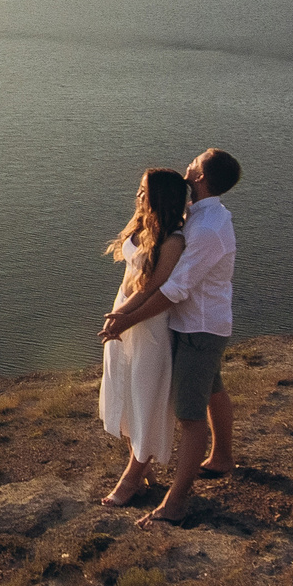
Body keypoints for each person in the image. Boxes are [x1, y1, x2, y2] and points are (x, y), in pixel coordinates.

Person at [105, 148, 241, 527]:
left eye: (196, 161)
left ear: (201, 176)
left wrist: (126, 319)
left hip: (197, 327)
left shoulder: (206, 229)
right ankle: (223, 457)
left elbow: (173, 289)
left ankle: (176, 502)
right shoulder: (197, 214)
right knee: (212, 389)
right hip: (192, 323)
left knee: (188, 415)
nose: (189, 163)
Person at [96, 167, 188, 506]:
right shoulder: (142, 226)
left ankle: (131, 478)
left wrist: (122, 317)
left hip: (147, 324)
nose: (138, 196)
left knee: (145, 397)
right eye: (139, 189)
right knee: (123, 390)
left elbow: (152, 287)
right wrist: (118, 315)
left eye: (144, 191)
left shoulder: (173, 240)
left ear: (160, 197)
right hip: (123, 313)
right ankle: (141, 465)